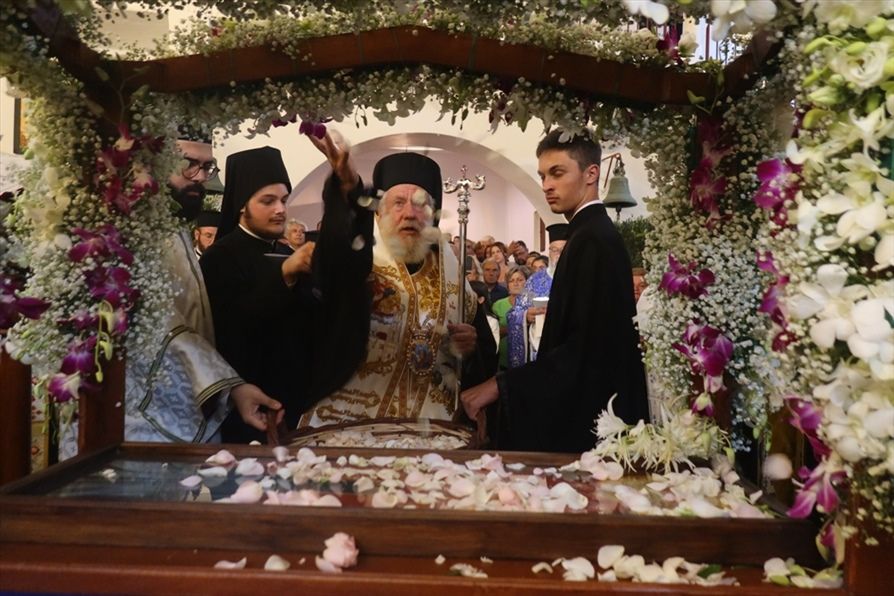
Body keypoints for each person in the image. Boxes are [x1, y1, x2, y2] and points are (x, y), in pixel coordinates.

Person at [461, 129, 649, 453]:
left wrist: (500, 386)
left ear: (591, 173)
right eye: (543, 175)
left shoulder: (593, 240)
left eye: (557, 173)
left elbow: (589, 349)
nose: (546, 185)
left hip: (595, 422)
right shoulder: (587, 234)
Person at [297, 132, 497, 428]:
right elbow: (333, 261)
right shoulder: (358, 257)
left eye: (420, 204)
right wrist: (348, 188)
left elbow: (482, 363)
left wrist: (470, 350)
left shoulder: (455, 277)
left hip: (433, 426)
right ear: (379, 213)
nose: (410, 214)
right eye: (399, 203)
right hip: (350, 422)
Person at [200, 146, 317, 443]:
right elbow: (232, 332)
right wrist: (283, 276)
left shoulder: (286, 252)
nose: (280, 209)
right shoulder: (219, 258)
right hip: (247, 412)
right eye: (268, 201)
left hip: (295, 409)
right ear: (242, 205)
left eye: (284, 200)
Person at [506, 223, 567, 368]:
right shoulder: (534, 281)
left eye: (563, 250)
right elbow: (514, 313)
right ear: (549, 252)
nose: (558, 255)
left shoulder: (582, 278)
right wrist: (525, 316)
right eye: (554, 250)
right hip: (540, 350)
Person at [491, 265, 531, 370]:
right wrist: (516, 326)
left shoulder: (533, 304)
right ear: (508, 285)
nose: (515, 283)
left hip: (528, 360)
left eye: (520, 280)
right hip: (503, 361)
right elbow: (492, 333)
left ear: (528, 282)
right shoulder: (498, 305)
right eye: (511, 281)